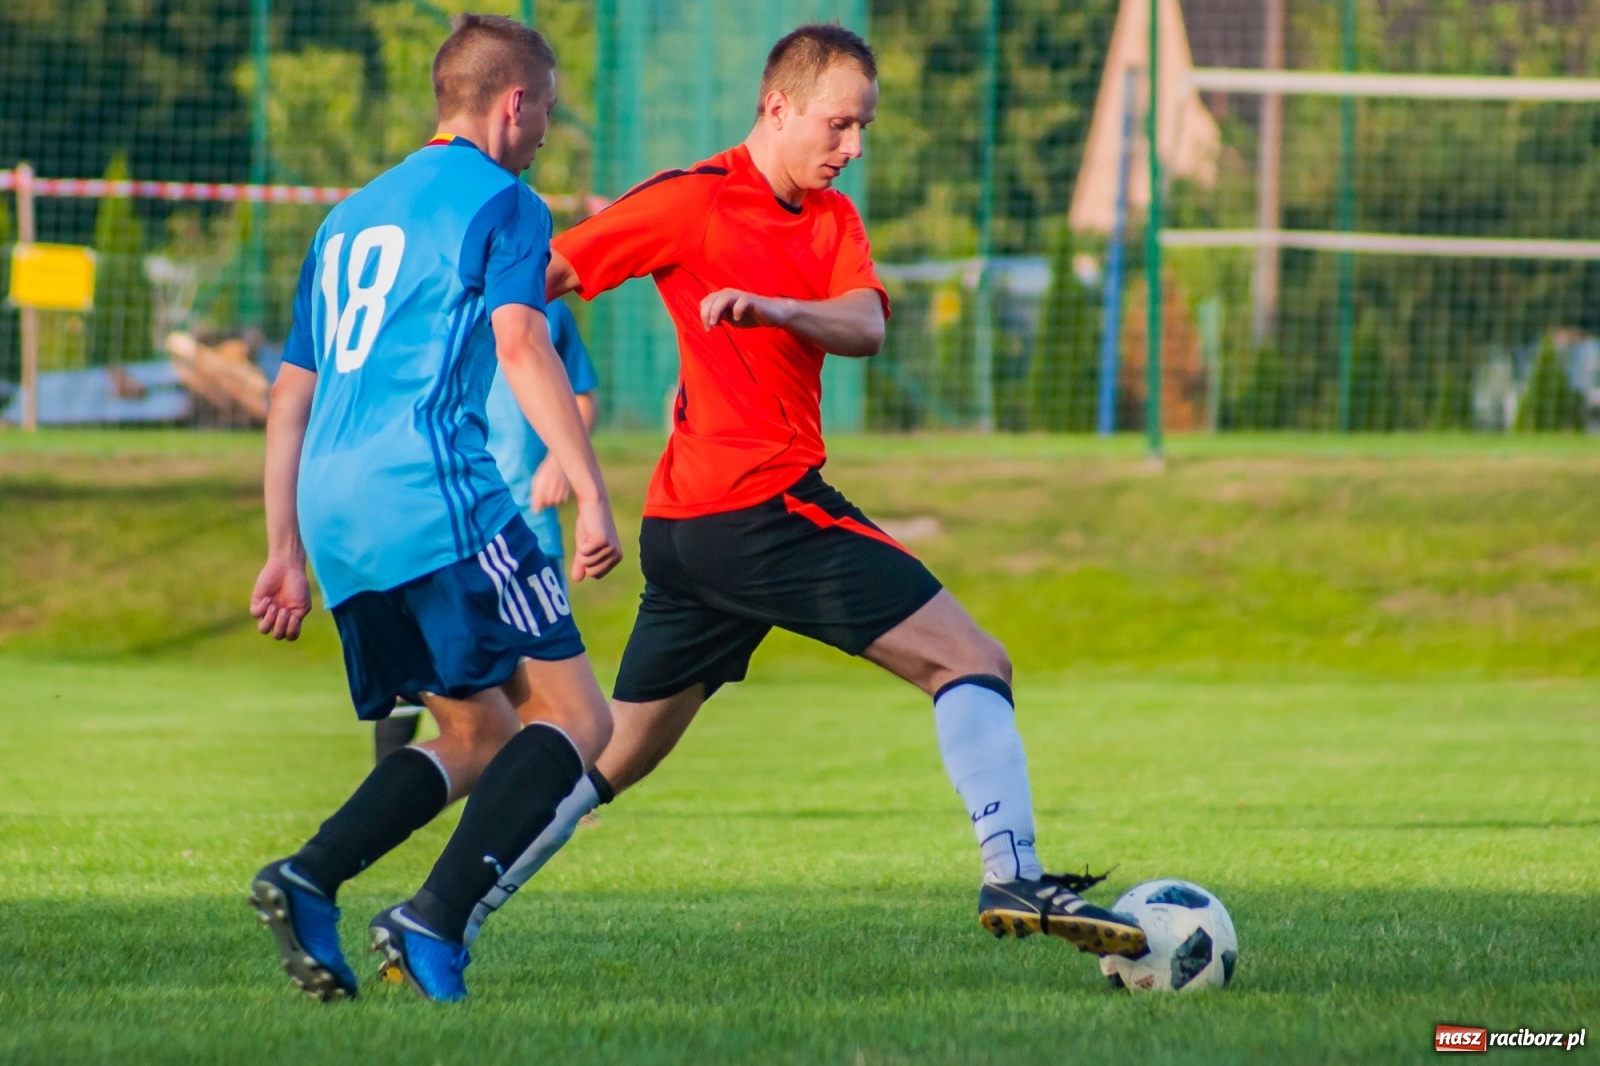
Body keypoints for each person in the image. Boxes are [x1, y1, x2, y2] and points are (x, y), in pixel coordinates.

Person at [463, 23, 1146, 961]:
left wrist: (776, 308)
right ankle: (1013, 870)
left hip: (695, 531)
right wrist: (465, 370)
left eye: (863, 128)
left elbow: (866, 325)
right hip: (758, 511)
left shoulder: (832, 219)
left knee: (609, 753)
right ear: (777, 108)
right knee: (971, 660)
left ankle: (443, 911)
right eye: (838, 125)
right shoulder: (693, 199)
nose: (852, 147)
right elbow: (541, 278)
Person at [245, 15, 622, 1004]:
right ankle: (433, 918)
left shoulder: (345, 219)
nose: (546, 132)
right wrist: (588, 487)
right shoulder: (507, 201)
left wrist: (284, 546)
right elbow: (521, 343)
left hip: (336, 515)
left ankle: (310, 877)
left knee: (478, 734)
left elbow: (289, 394)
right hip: (435, 494)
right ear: (513, 103)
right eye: (546, 111)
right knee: (580, 718)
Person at [373, 301, 600, 764]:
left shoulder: (544, 303)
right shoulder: (429, 300)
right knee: (414, 677)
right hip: (444, 519)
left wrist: (559, 462)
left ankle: (538, 792)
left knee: (542, 680)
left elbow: (582, 398)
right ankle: (387, 789)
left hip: (526, 524)